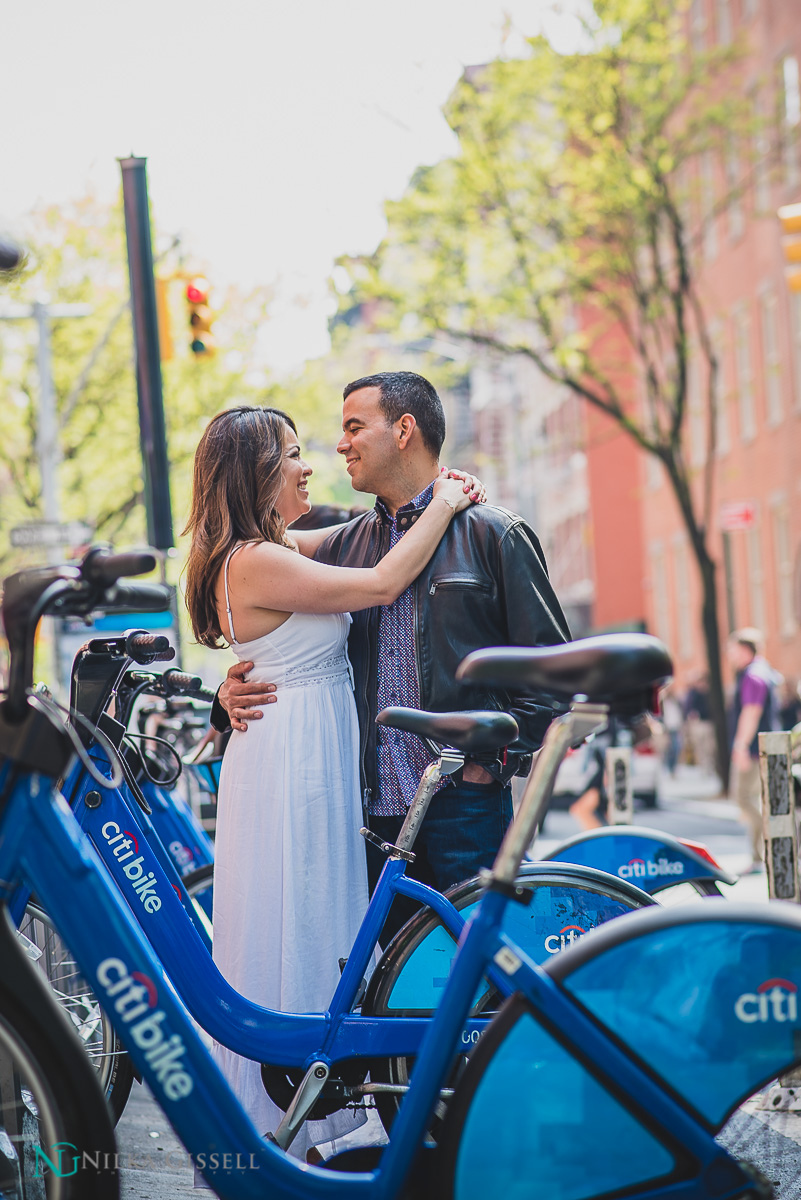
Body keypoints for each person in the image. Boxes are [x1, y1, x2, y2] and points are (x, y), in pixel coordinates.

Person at [183, 404, 483, 1161]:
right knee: (301, 913)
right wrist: (445, 500)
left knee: (303, 918)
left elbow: (372, 537)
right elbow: (382, 580)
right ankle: (293, 1120)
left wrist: (418, 502)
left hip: (295, 753)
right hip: (293, 768)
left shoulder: (277, 548)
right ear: (255, 474)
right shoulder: (257, 558)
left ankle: (303, 1115)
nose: (307, 464)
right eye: (289, 455)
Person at [216, 371, 571, 945]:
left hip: (463, 800)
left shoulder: (492, 534)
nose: (340, 444)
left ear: (404, 430)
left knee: (489, 971)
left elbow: (554, 673)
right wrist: (228, 690)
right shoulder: (342, 544)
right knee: (393, 988)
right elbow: (253, 598)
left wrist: (493, 762)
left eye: (355, 426)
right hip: (373, 814)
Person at [726, 628, 780, 876]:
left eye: (733, 649)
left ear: (745, 650)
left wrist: (740, 745)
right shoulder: (763, 671)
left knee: (744, 798)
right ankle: (761, 854)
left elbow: (751, 711)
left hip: (753, 749)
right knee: (753, 799)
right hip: (762, 747)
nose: (729, 654)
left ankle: (768, 849)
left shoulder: (753, 676)